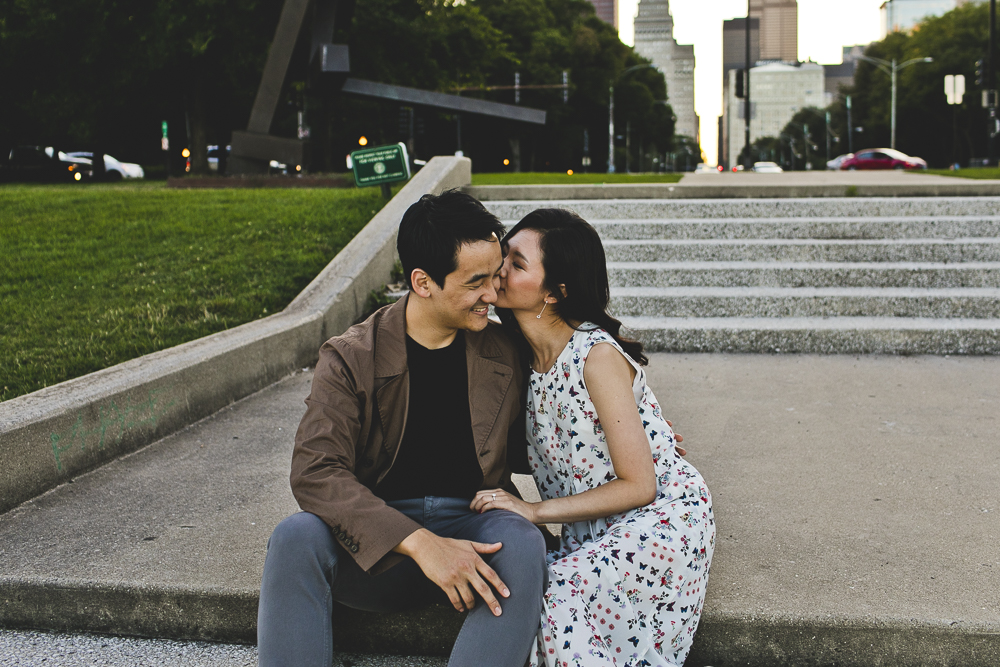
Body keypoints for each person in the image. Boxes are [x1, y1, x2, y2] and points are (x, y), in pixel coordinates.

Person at [257, 190, 547, 667]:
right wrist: (421, 543)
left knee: (523, 540)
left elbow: (542, 435)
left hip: (476, 529)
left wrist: (628, 423)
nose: (493, 296)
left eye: (495, 277)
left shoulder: (504, 349)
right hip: (378, 545)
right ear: (423, 281)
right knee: (294, 537)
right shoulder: (352, 356)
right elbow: (315, 470)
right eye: (476, 282)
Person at [474, 208, 715, 667]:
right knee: (531, 595)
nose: (499, 269)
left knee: (551, 595)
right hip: (589, 530)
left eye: (518, 263)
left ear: (556, 292)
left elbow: (640, 485)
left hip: (659, 519)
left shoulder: (595, 356)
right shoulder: (518, 360)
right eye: (504, 254)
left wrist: (533, 511)